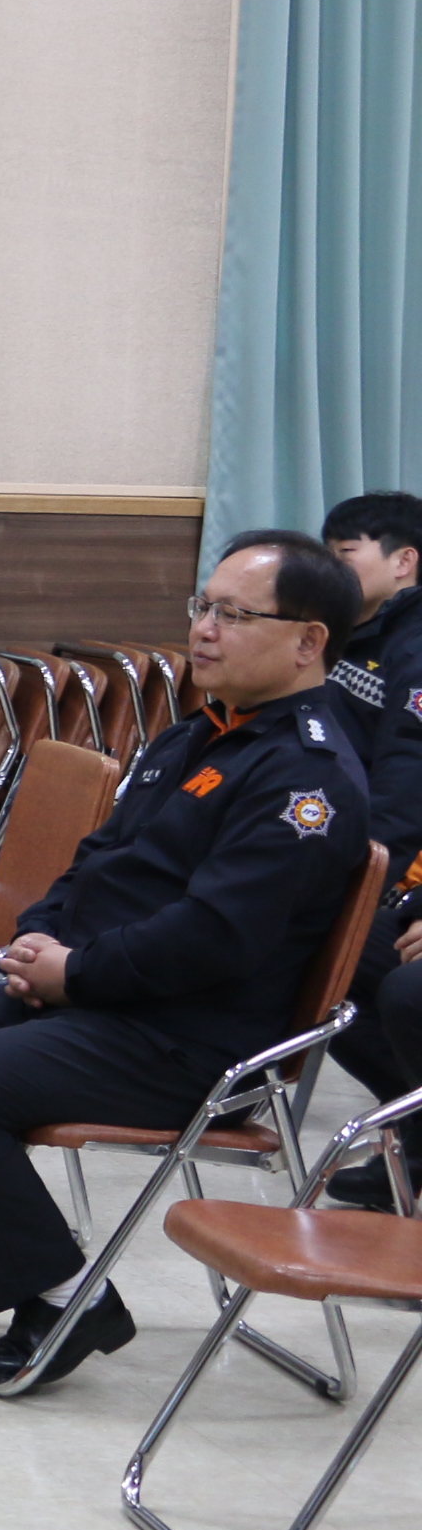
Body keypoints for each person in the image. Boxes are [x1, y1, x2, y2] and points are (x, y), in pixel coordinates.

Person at [0, 531, 370, 1392]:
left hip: (187, 1038)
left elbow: (214, 936)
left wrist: (74, 973)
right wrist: (39, 938)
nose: (204, 630)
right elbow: (102, 861)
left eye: (235, 615)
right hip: (108, 995)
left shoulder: (306, 777)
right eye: (203, 607)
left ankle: (66, 1299)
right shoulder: (200, 735)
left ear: (309, 641)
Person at [318, 492, 422, 1207]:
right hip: (353, 850)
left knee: (339, 946)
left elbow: (407, 787)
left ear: (404, 560)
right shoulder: (356, 631)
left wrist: (363, 882)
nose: (332, 571)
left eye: (346, 556)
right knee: (313, 947)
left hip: (389, 862)